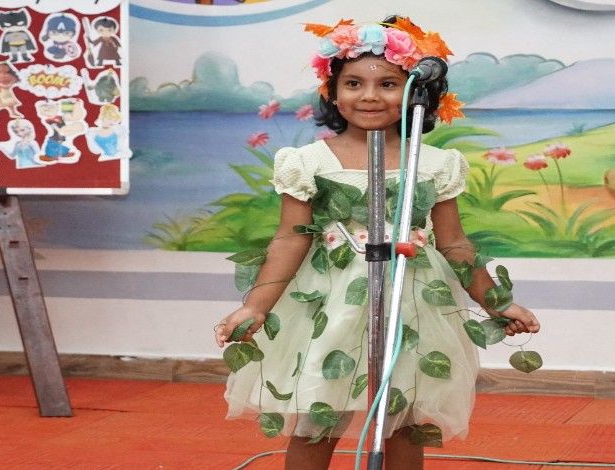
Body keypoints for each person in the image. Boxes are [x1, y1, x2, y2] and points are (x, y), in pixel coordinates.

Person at [213, 16, 540, 470]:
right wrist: (256, 306)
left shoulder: (436, 163)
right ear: (333, 91)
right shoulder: (308, 161)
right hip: (331, 303)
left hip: (411, 299)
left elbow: (455, 244)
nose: (369, 95)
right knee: (319, 413)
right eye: (353, 83)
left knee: (403, 416)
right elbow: (289, 239)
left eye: (388, 84)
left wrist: (497, 303)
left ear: (416, 93)